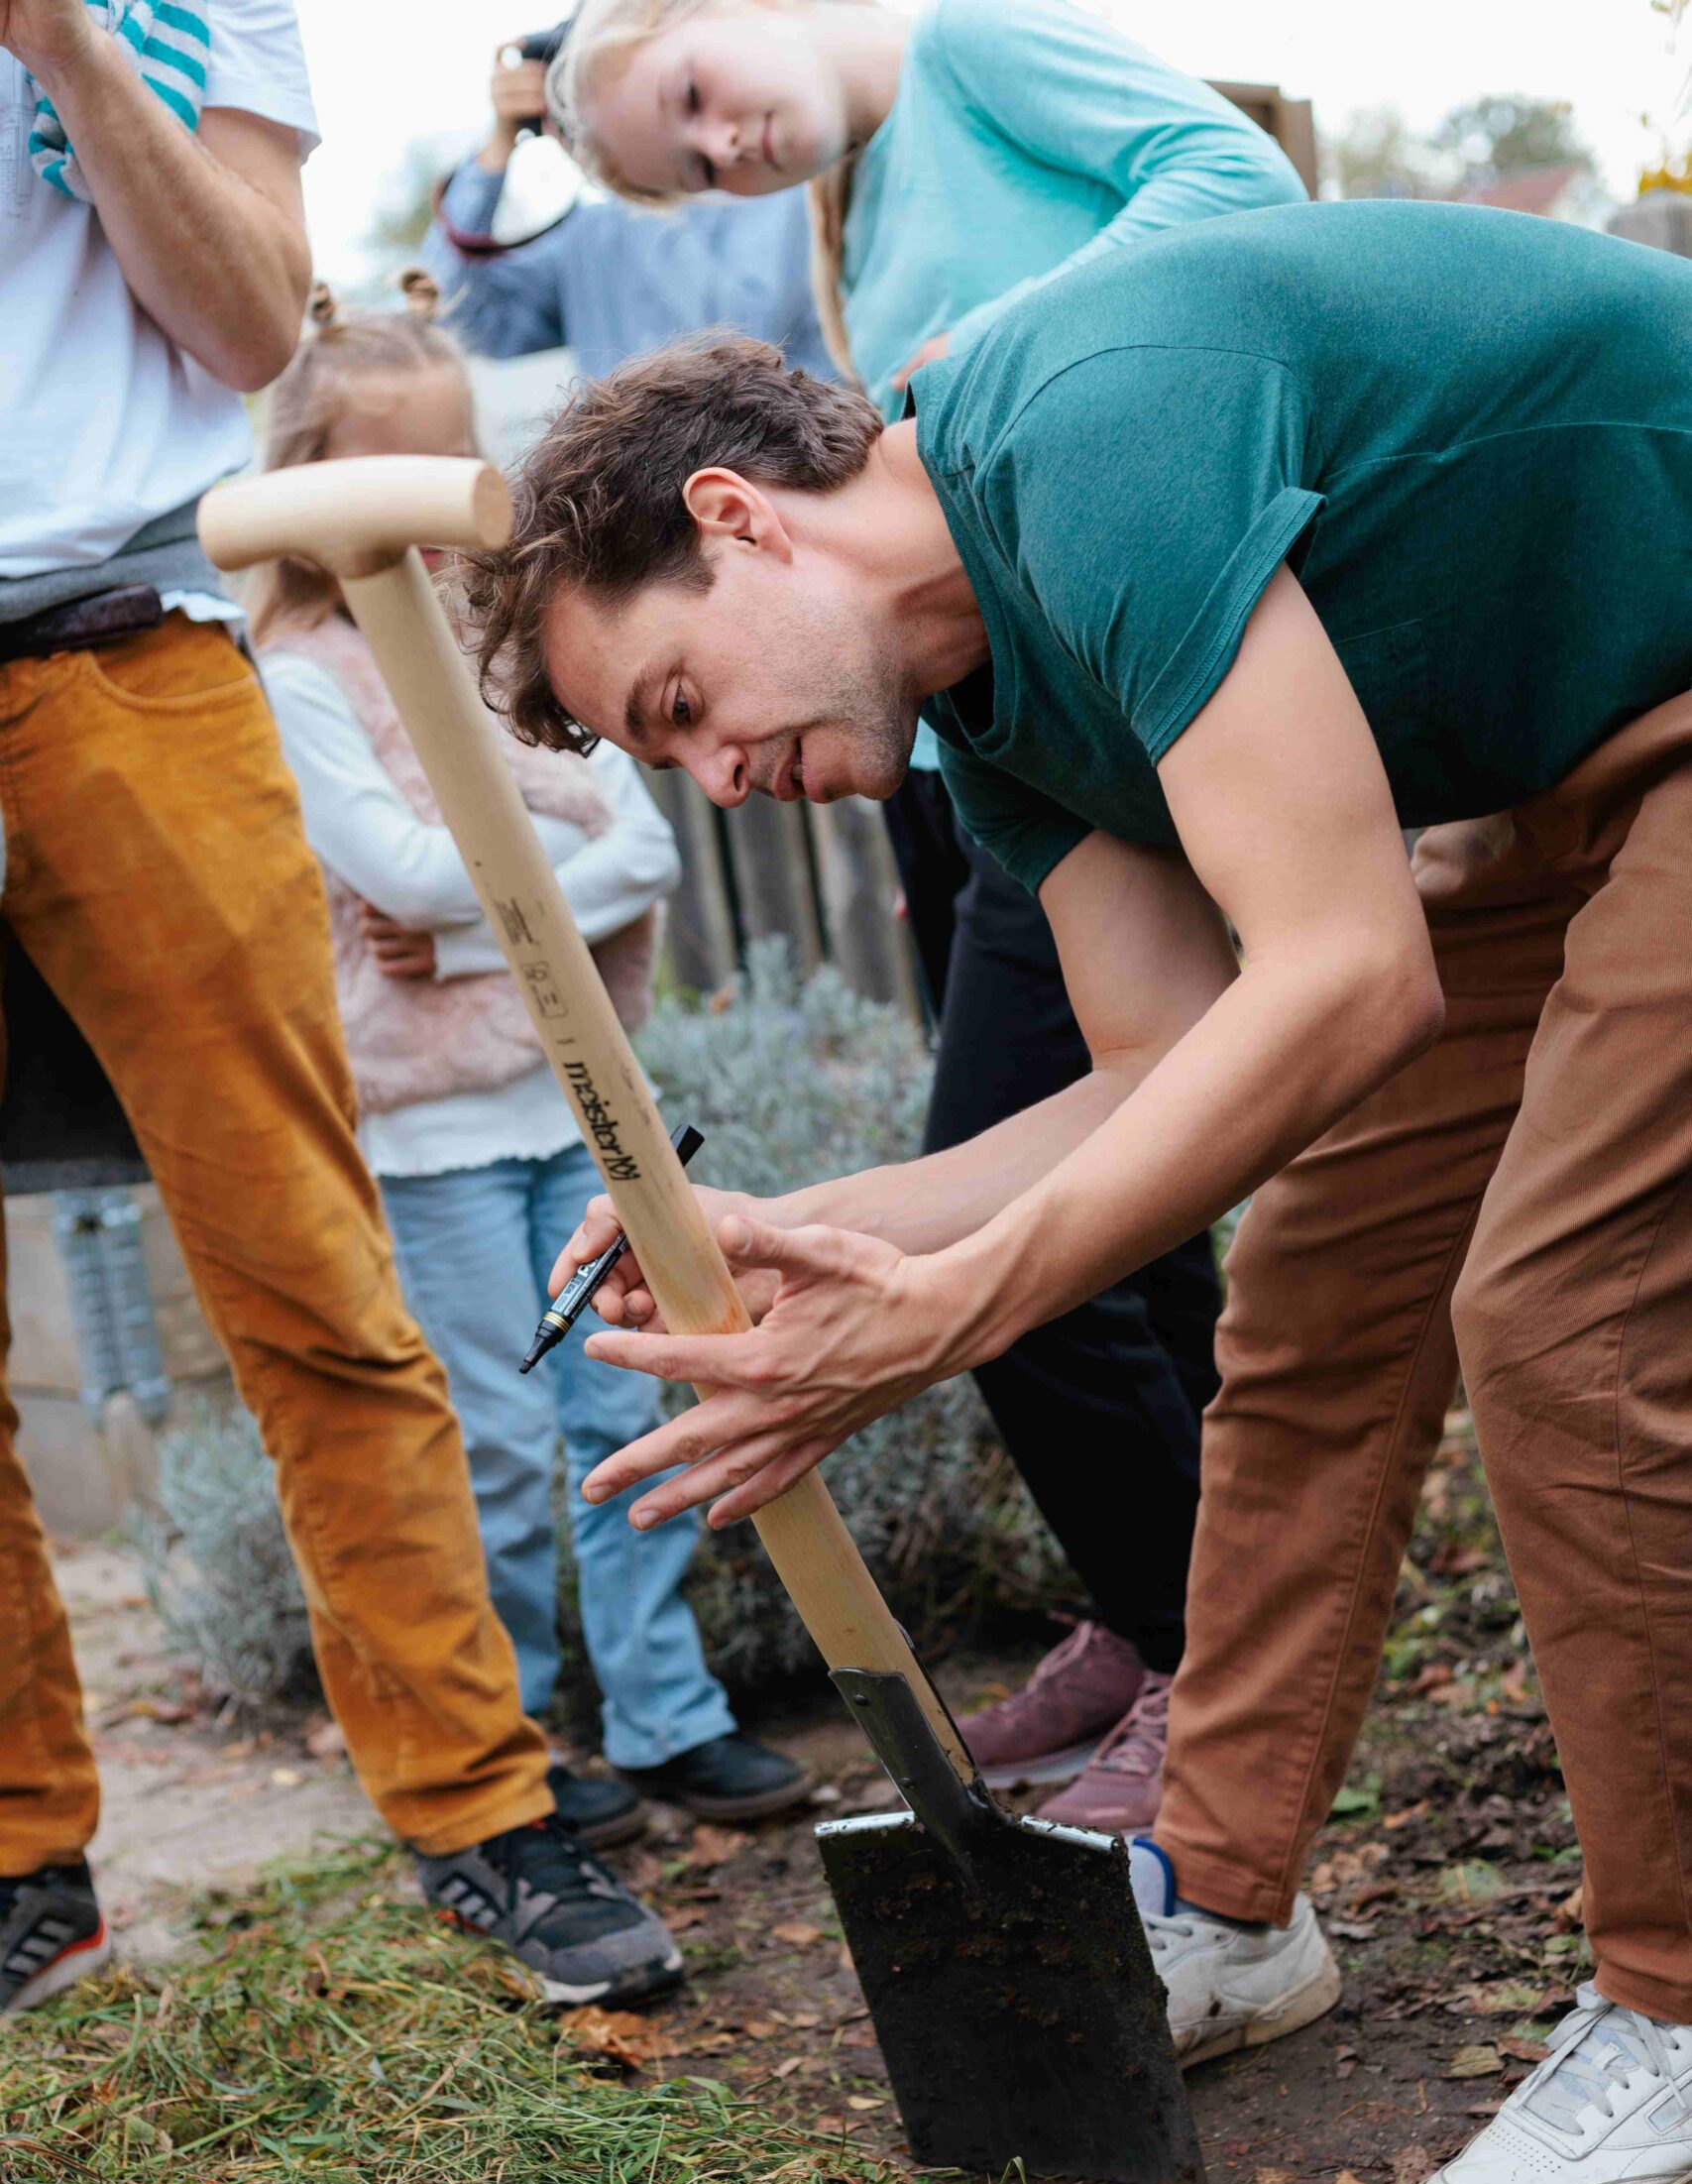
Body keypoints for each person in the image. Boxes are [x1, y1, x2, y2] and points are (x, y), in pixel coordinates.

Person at [466, 200, 1692, 2184]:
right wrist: (816, 1227)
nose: (712, 777)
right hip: (1569, 774)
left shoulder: (1090, 431)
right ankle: (1221, 1894)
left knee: (1552, 1317)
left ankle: (1673, 1988)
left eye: (677, 699)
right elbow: (1172, 1077)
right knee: (1301, 1297)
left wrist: (942, 1312)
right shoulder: (994, 706)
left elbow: (1347, 976)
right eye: (662, 754)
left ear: (741, 516)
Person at [542, 0, 1309, 1826]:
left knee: (1065, 1208)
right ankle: (1191, 1628)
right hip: (1006, 751)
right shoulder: (864, 218)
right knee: (1141, 1202)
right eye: (689, 168)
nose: (729, 149)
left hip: (1153, 669)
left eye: (696, 104)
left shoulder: (973, 52)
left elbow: (1236, 177)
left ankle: (1220, 1662)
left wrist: (1004, 358)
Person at [0, 0, 679, 2016]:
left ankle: (477, 1804)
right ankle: (26, 1858)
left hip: (129, 642)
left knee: (303, 1270)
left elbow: (242, 321)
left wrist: (65, 44)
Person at [255, 282, 811, 1835]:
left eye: (447, 488)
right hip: (433, 1139)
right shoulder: (305, 677)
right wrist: (505, 879)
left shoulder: (501, 660)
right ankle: (511, 1741)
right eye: (389, 492)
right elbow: (389, 868)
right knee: (494, 1444)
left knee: (626, 1411)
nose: (430, 545)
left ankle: (661, 1713)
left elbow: (635, 848)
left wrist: (485, 902)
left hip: (574, 1109)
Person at [421, 30, 835, 380]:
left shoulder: (785, 184)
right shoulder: (589, 236)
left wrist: (637, 170)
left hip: (788, 466)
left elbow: (733, 340)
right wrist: (497, 150)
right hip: (639, 476)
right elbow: (459, 319)